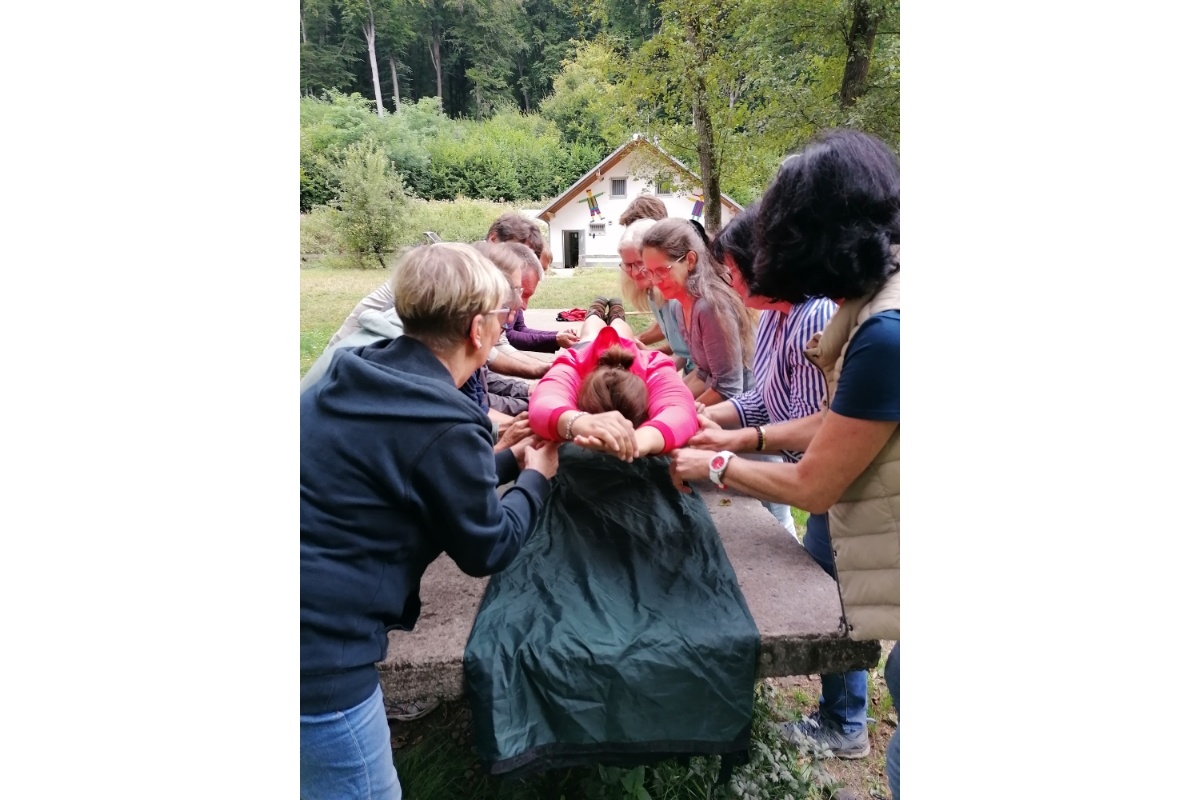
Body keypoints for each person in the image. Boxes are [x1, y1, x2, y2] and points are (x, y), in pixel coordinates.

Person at [668, 129, 900, 798]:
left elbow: (814, 483)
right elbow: (836, 420)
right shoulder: (869, 307)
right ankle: (841, 714)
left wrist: (707, 464)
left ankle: (845, 721)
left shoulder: (882, 331)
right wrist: (736, 440)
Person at [300, 242, 561, 800]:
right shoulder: (444, 417)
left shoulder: (355, 372)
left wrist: (510, 459)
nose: (505, 326)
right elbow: (486, 546)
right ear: (476, 329)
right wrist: (538, 475)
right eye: (501, 317)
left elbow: (414, 480)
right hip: (318, 659)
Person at [695, 206, 874, 753]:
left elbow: (821, 420)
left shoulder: (818, 318)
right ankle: (837, 713)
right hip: (807, 469)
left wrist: (733, 446)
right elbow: (764, 399)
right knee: (826, 589)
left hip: (841, 480)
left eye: (735, 270)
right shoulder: (774, 317)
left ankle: (846, 725)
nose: (729, 281)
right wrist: (705, 421)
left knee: (838, 600)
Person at [528, 302, 699, 462]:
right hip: (591, 350)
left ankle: (612, 311)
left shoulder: (655, 366)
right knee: (600, 328)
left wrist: (642, 439)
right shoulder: (573, 363)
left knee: (606, 327)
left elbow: (681, 412)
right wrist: (579, 422)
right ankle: (602, 309)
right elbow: (543, 405)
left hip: (604, 349)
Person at [641, 219, 756, 405]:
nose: (655, 281)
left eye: (662, 271)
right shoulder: (680, 306)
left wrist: (682, 410)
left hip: (741, 416)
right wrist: (663, 400)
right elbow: (703, 373)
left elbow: (728, 387)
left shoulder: (710, 306)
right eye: (649, 272)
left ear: (690, 260)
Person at [616, 219, 693, 373]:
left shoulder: (677, 298)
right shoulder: (653, 294)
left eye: (639, 263)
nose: (635, 272)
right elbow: (683, 352)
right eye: (628, 265)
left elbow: (707, 368)